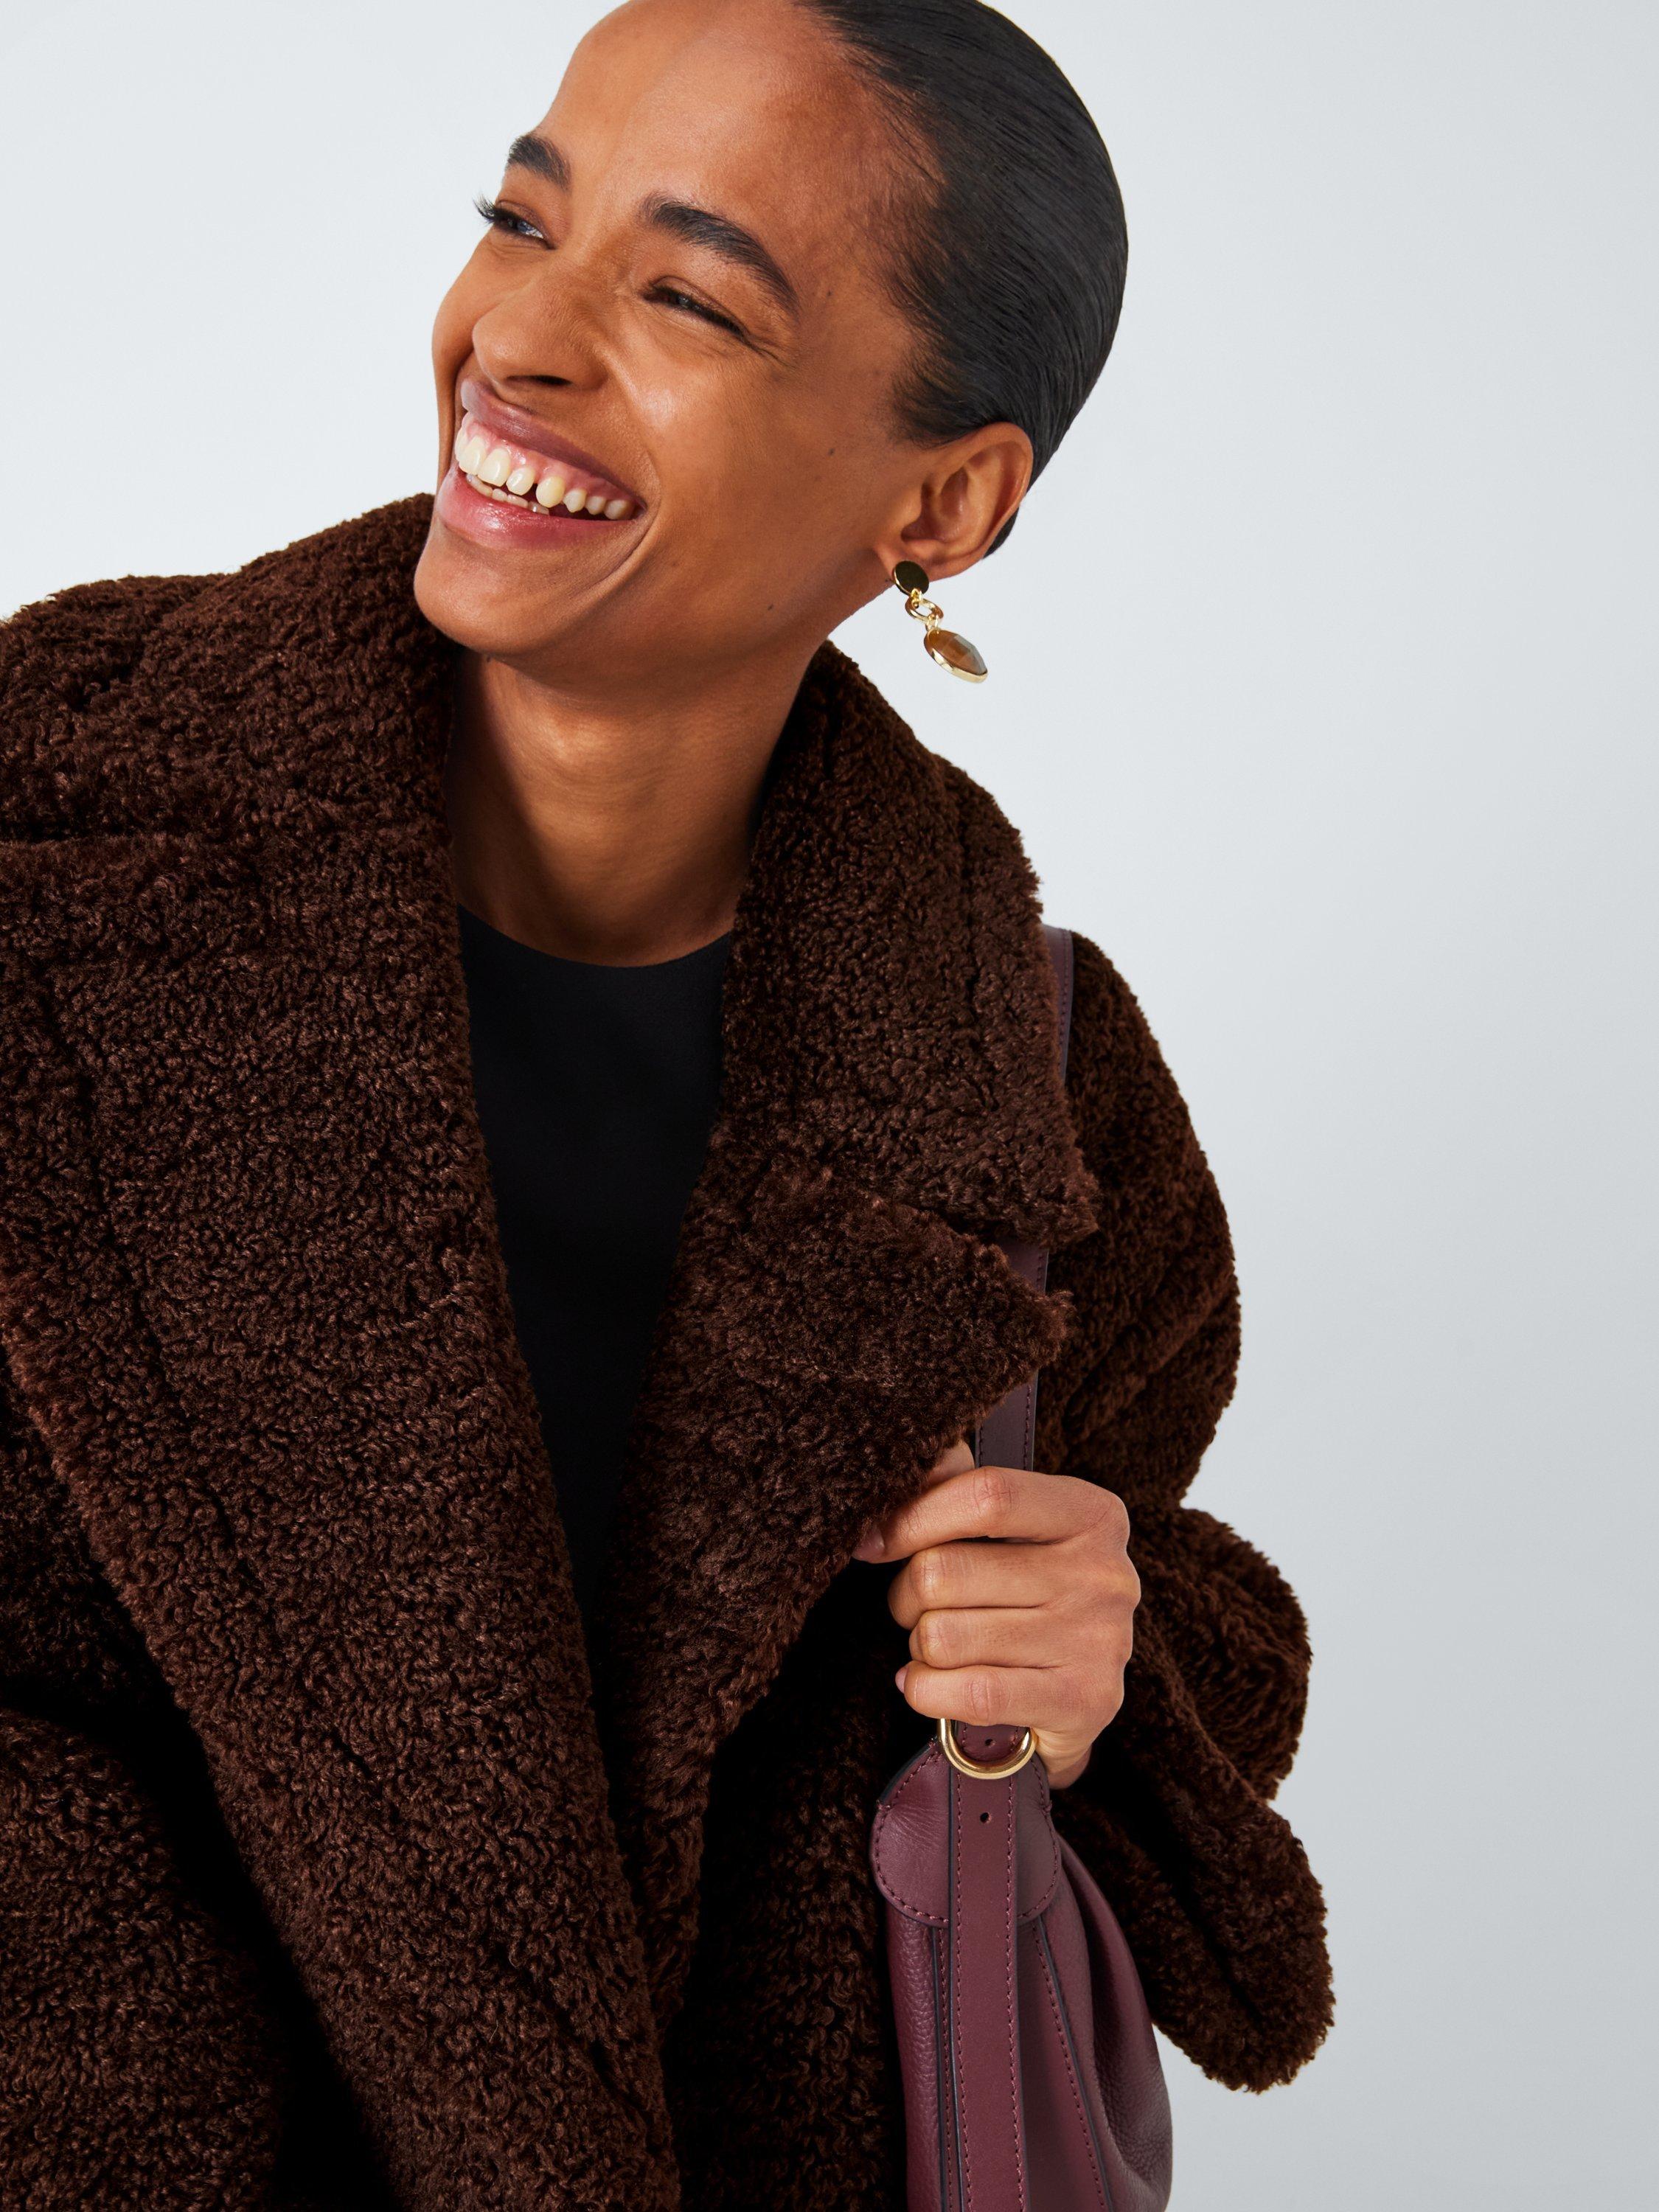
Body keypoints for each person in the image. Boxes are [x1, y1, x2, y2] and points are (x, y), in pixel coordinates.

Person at [0, 1, 1332, 2205]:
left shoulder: (1037, 1084)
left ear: (943, 502)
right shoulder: (54, 836)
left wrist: (1097, 1663)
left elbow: (1149, 1606)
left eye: (689, 297)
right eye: (522, 218)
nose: (518, 339)